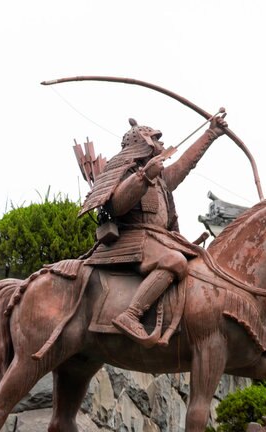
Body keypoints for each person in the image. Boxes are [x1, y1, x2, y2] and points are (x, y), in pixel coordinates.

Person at [79, 115, 227, 346]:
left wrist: (211, 134)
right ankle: (131, 314)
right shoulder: (126, 171)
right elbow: (117, 205)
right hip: (134, 238)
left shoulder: (160, 178)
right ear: (144, 143)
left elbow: (184, 164)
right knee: (175, 262)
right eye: (156, 140)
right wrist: (144, 176)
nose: (161, 144)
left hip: (160, 239)